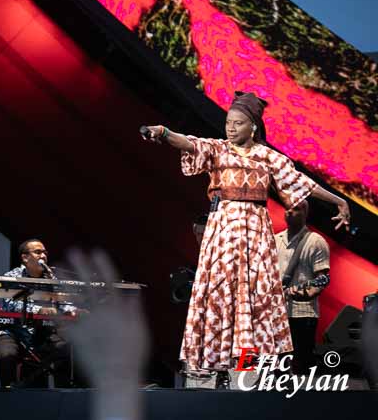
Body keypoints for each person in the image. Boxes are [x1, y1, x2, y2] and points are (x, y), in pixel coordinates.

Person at [143, 91, 351, 389]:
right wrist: (163, 133)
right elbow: (188, 142)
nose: (230, 128)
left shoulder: (268, 157)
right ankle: (209, 372)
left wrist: (339, 201)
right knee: (218, 298)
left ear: (252, 126)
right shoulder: (218, 150)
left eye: (238, 123)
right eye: (228, 122)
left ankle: (246, 374)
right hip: (223, 233)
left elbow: (303, 183)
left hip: (254, 233)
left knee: (253, 302)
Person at [0, 239, 74, 388]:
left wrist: (74, 311)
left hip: (42, 330)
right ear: (25, 257)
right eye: (38, 252)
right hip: (14, 331)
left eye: (45, 252)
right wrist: (40, 310)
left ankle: (65, 393)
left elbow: (63, 302)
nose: (43, 255)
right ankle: (6, 396)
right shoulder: (12, 276)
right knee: (6, 355)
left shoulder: (51, 278)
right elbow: (12, 305)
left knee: (64, 347)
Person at [275, 200, 330, 375]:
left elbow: (321, 280)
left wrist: (304, 294)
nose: (290, 212)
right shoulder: (275, 239)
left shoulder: (315, 242)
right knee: (275, 366)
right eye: (287, 208)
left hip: (301, 314)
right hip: (276, 313)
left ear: (305, 212)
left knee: (299, 367)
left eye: (296, 209)